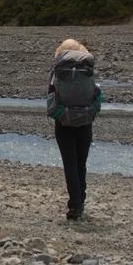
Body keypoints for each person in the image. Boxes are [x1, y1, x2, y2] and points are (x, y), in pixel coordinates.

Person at [46, 38, 102, 220]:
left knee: (70, 164)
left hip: (64, 123)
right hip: (85, 122)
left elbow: (51, 97)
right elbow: (96, 94)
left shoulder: (58, 71)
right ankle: (81, 200)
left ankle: (75, 205)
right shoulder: (86, 69)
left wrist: (59, 114)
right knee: (81, 163)